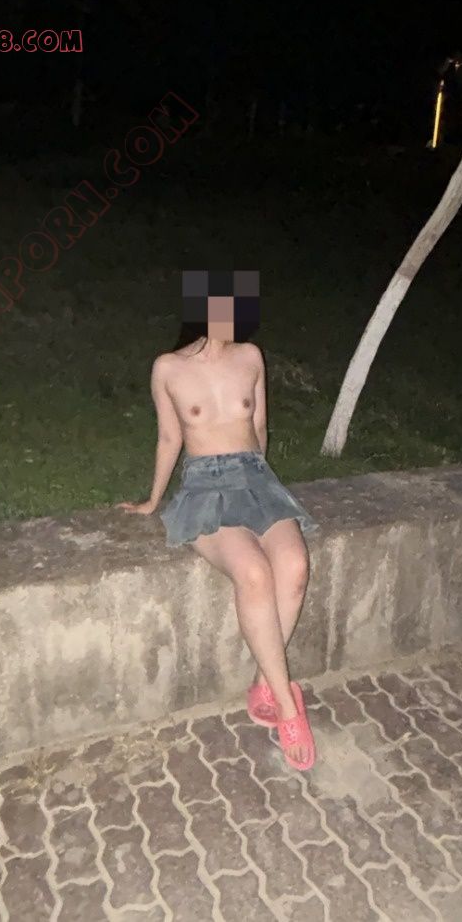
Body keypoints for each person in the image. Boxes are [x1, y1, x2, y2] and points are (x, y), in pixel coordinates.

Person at [117, 274, 319, 770]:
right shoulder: (169, 367)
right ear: (201, 310)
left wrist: (263, 487)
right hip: (205, 486)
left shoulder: (251, 357)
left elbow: (260, 426)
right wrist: (153, 500)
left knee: (294, 566)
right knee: (253, 573)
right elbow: (170, 438)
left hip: (255, 477)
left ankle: (264, 683)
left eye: (239, 307)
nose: (232, 318)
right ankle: (288, 707)